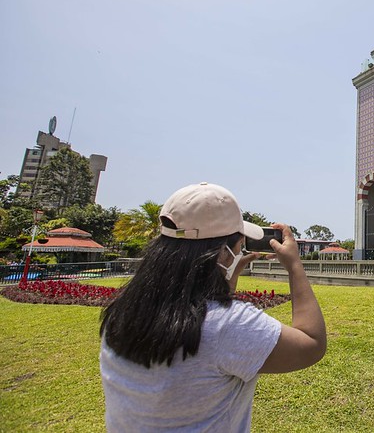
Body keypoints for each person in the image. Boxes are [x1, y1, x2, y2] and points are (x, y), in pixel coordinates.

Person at [99, 182, 326, 432]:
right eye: (238, 244)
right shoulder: (228, 325)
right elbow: (311, 344)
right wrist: (294, 264)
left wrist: (228, 275)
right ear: (224, 252)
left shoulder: (121, 313)